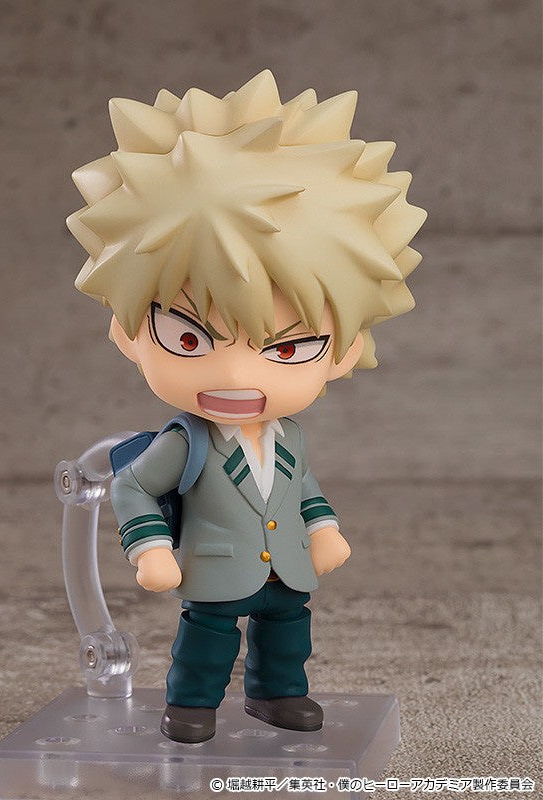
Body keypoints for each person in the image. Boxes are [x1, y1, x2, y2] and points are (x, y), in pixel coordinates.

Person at [67, 69, 426, 743]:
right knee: (208, 638)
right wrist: (150, 548)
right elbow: (133, 486)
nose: (235, 374)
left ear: (344, 351)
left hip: (284, 564)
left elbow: (303, 489)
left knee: (288, 632)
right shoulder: (186, 441)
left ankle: (277, 694)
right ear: (127, 331)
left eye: (286, 349)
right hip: (213, 568)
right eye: (188, 339)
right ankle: (191, 705)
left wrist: (323, 530)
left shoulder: (289, 436)